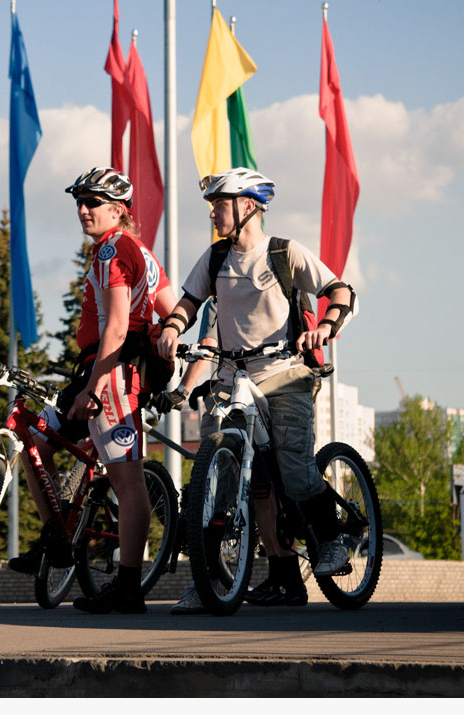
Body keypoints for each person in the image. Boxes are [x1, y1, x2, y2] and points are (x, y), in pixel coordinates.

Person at [156, 168, 356, 608]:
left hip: (284, 375)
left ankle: (332, 541)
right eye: (212, 205)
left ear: (248, 206)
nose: (213, 213)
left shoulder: (284, 252)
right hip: (232, 378)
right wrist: (172, 327)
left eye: (220, 204)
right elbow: (189, 301)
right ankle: (233, 581)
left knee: (295, 470)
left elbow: (340, 290)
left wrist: (325, 327)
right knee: (230, 481)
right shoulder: (215, 258)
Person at [8, 166, 178, 615]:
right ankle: (57, 539)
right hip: (98, 372)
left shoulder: (112, 249)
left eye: (93, 202)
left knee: (128, 483)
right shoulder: (139, 251)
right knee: (36, 440)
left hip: (112, 377)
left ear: (118, 210)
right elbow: (171, 310)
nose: (83, 210)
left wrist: (97, 386)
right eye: (79, 202)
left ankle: (128, 587)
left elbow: (118, 327)